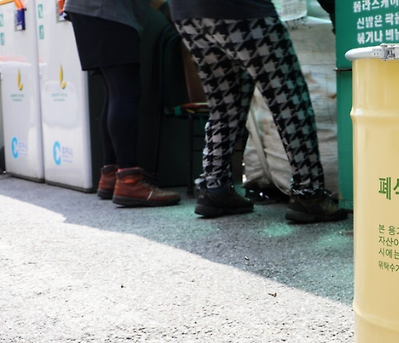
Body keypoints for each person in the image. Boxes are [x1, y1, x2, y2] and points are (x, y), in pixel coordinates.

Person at [168, 0, 347, 224]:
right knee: (290, 99)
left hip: (186, 13)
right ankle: (309, 194)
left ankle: (214, 188)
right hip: (241, 10)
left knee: (225, 101)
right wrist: (336, 13)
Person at [64, 0, 180, 207]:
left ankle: (111, 174)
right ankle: (129, 180)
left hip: (87, 10)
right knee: (125, 91)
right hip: (109, 11)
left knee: (113, 91)